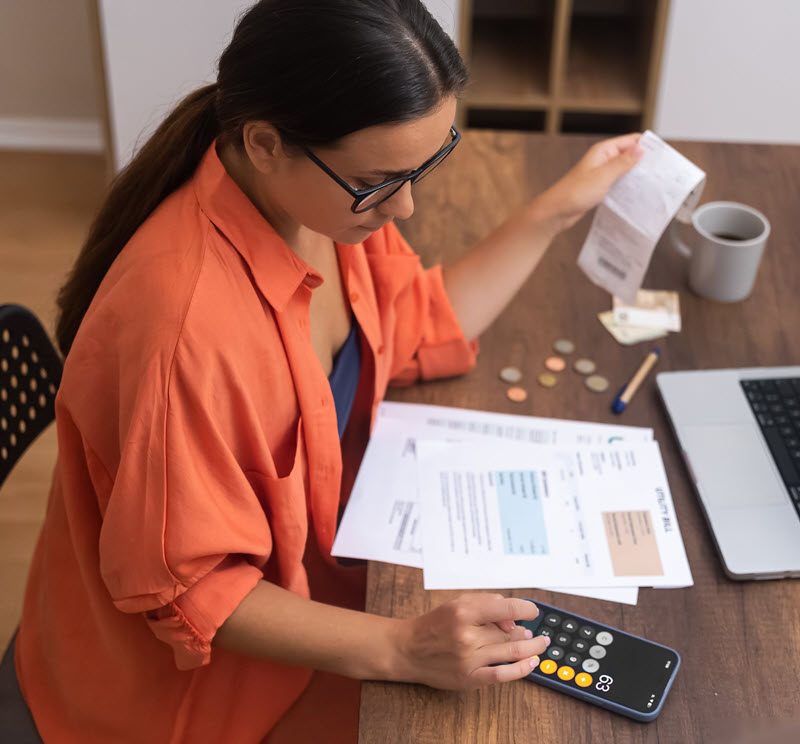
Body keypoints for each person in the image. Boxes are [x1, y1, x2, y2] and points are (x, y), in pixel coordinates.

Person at [8, 1, 644, 741]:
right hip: (193, 691)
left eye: (427, 164)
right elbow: (192, 591)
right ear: (267, 143)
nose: (404, 206)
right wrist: (404, 647)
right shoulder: (181, 330)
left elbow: (415, 326)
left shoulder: (324, 208)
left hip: (325, 584)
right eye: (381, 180)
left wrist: (559, 211)